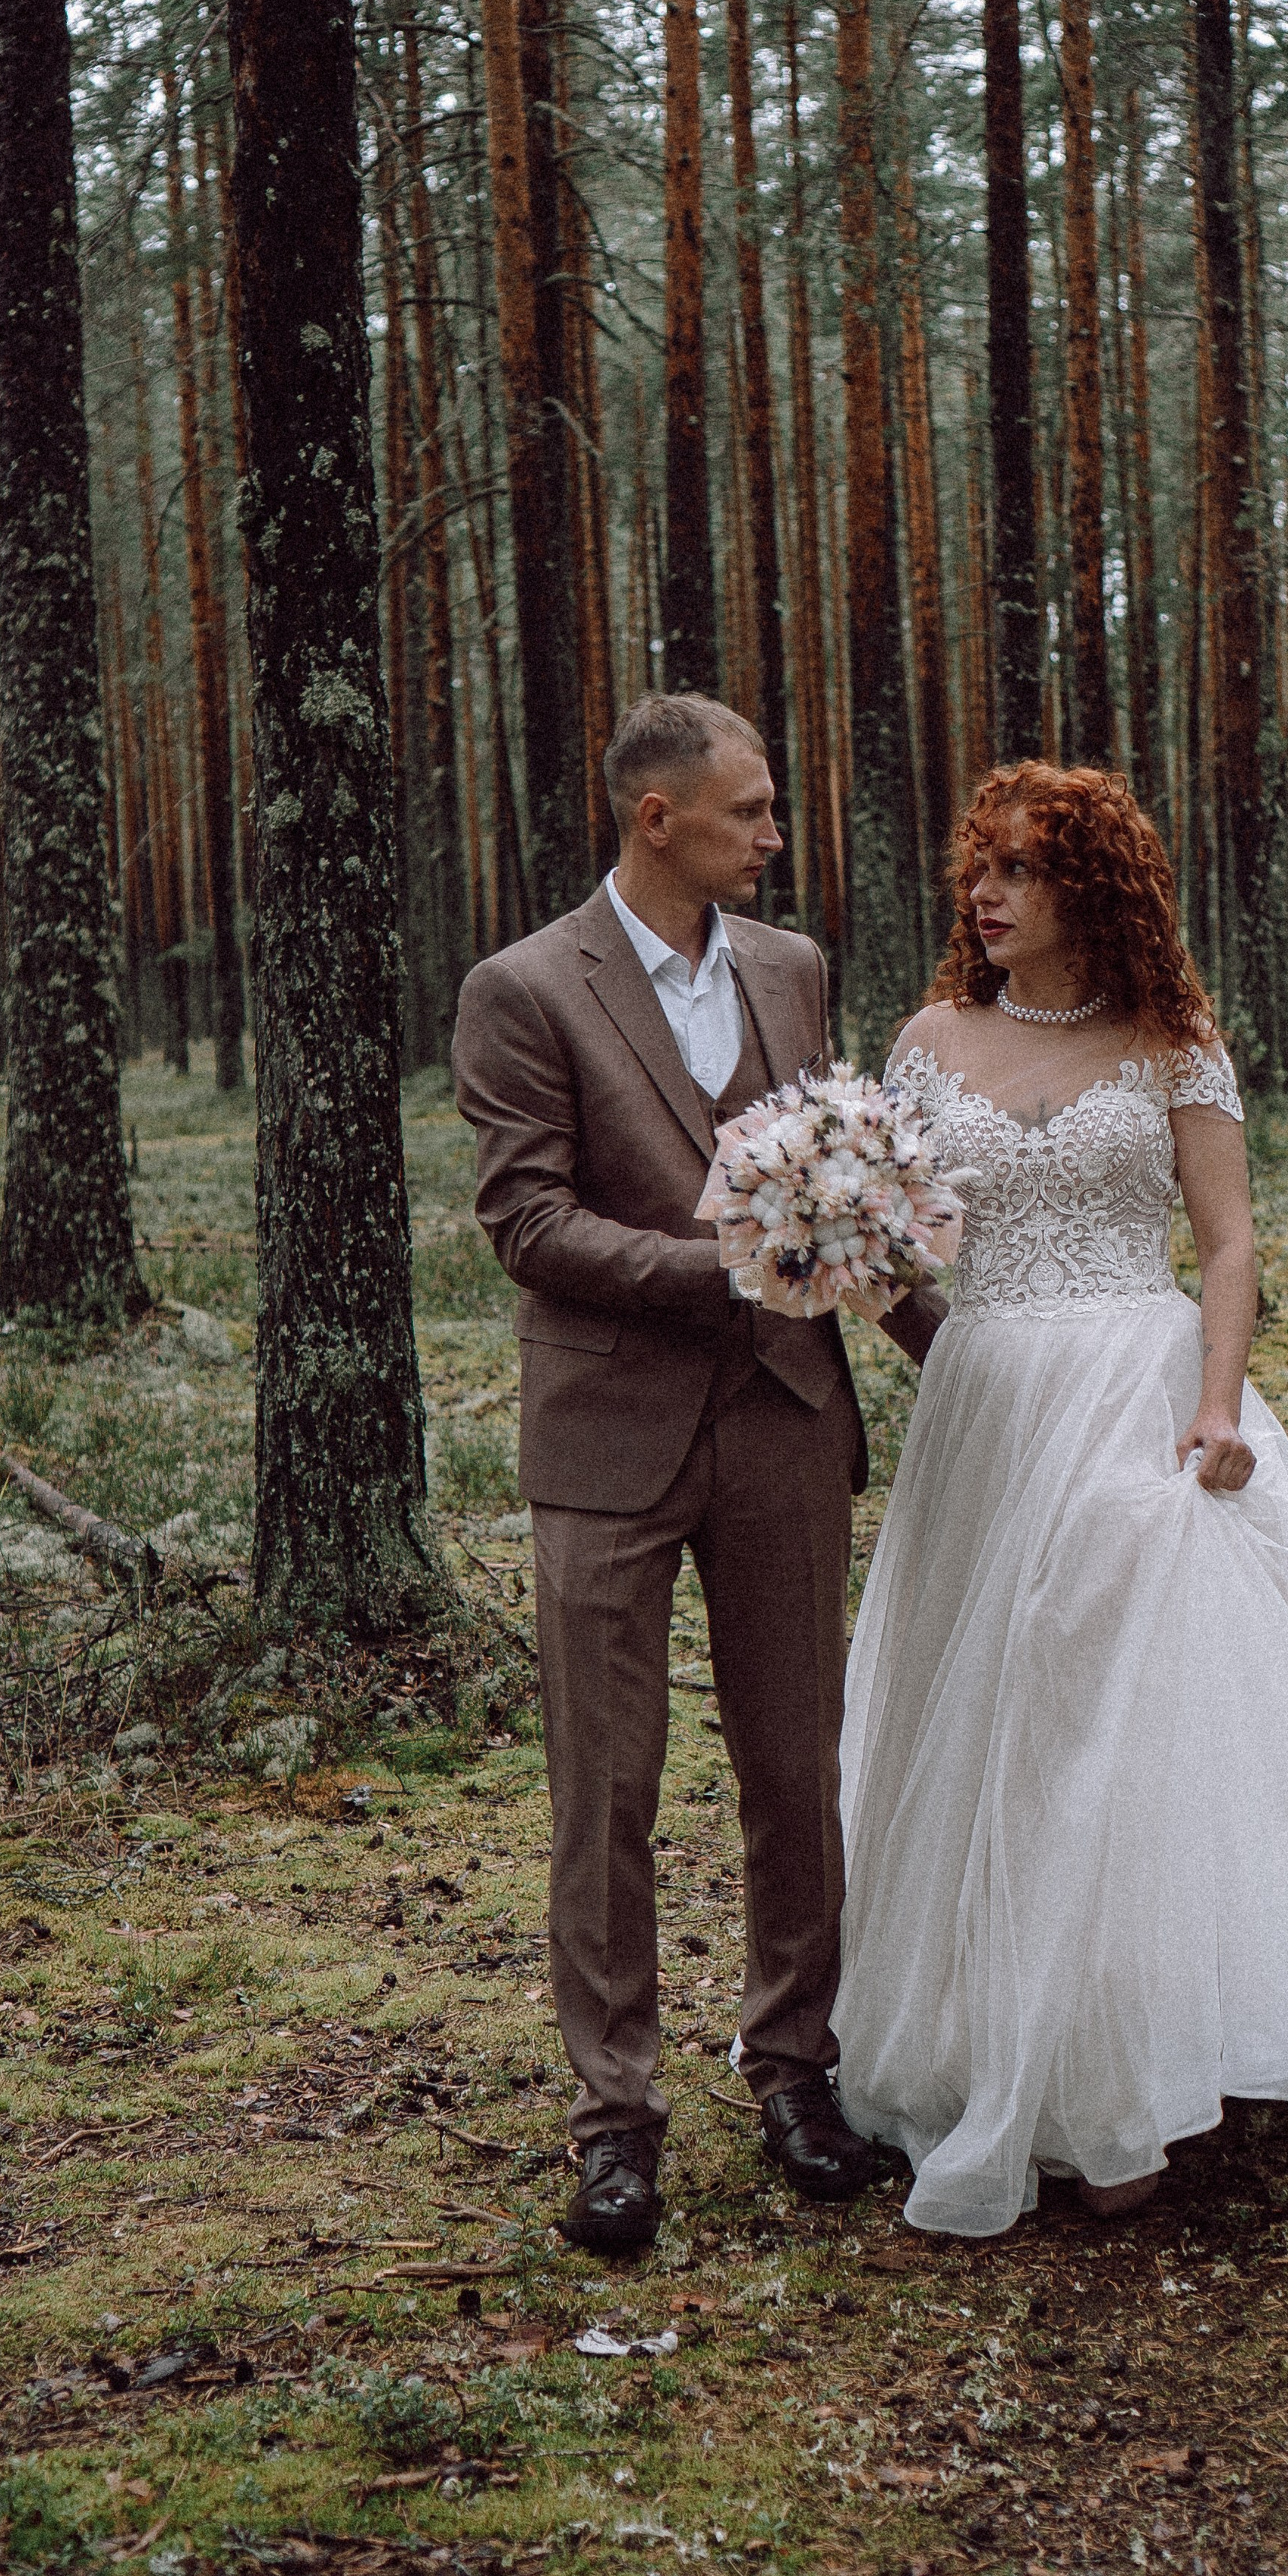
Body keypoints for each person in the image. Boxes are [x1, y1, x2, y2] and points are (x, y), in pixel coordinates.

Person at [832, 761, 1288, 2238]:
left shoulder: (1170, 1045)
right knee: (988, 1721)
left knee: (1107, 1719)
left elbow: (1224, 1246)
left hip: (1142, 1404)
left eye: (1020, 869)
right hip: (984, 1414)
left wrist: (1216, 1408)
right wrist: (945, 1353)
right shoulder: (923, 1043)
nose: (986, 891)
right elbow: (878, 1250)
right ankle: (1003, 2056)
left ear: (1090, 889)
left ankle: (1121, 2082)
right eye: (981, 864)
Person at [451, 694, 943, 2256]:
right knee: (606, 1794)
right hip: (607, 1438)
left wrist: (959, 1343)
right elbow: (526, 1221)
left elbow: (847, 1190)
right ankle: (615, 2123)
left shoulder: (790, 971)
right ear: (653, 819)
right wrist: (722, 1267)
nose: (773, 836)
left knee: (798, 1773)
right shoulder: (522, 989)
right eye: (750, 812)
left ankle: (795, 2073)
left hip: (787, 1419)